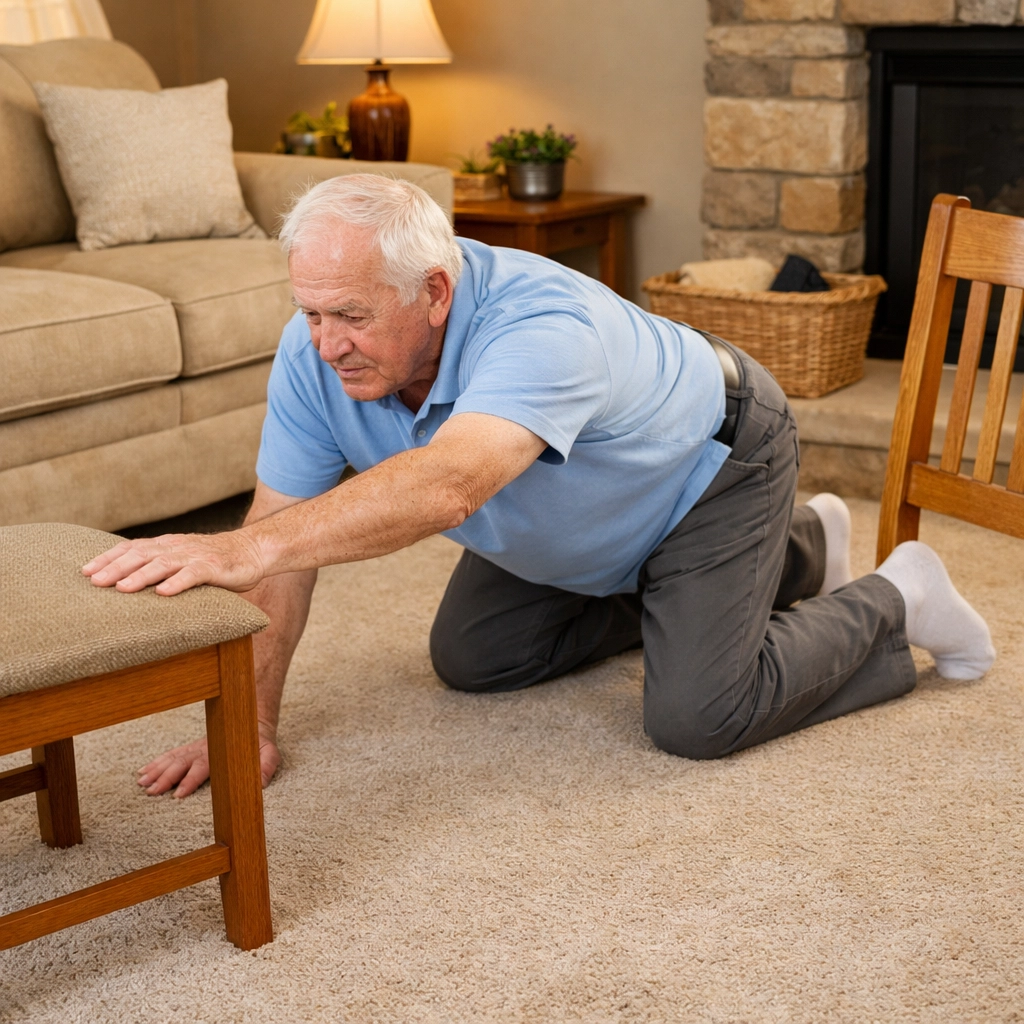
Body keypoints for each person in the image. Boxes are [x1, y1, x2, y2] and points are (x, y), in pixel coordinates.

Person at [82, 175, 996, 799]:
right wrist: (253, 724)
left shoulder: (544, 323)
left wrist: (237, 548)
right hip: (578, 509)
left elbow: (448, 487)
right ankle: (800, 554)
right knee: (478, 658)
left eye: (352, 316)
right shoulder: (316, 352)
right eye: (310, 313)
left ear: (435, 292)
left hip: (712, 467)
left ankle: (898, 597)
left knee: (698, 716)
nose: (325, 345)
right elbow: (283, 532)